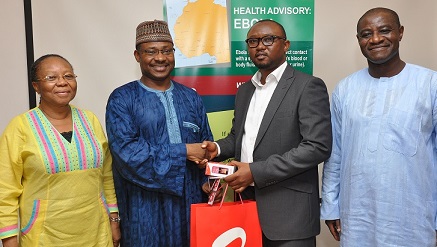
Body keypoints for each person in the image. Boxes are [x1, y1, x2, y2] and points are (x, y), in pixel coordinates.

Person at [201, 19, 332, 247]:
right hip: (246, 211)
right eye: (253, 41)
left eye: (268, 39)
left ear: (286, 45)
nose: (260, 46)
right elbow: (239, 138)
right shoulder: (245, 91)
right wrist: (218, 148)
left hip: (291, 215)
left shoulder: (307, 86)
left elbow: (316, 147)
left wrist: (255, 171)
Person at [321, 7, 437, 247]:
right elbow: (336, 153)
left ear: (400, 33)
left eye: (384, 30)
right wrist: (331, 206)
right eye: (366, 34)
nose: (375, 39)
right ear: (359, 40)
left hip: (413, 217)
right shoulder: (345, 89)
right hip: (357, 216)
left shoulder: (430, 84)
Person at [105, 20, 213, 247]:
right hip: (144, 207)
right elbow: (127, 154)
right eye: (151, 52)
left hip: (191, 202)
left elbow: (206, 146)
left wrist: (207, 180)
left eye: (166, 51)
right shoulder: (122, 99)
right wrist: (183, 151)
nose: (160, 58)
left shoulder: (191, 97)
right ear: (137, 55)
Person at [0, 54, 120, 247]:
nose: (62, 82)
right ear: (36, 86)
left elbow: (106, 176)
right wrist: (9, 240)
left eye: (68, 76)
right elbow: (5, 190)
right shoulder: (20, 127)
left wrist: (113, 218)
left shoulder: (90, 120)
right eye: (51, 77)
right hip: (44, 236)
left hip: (96, 233)